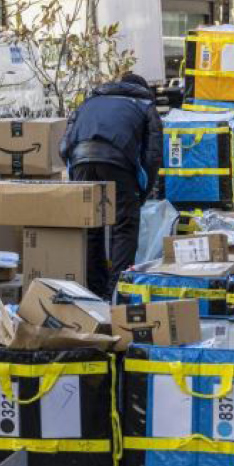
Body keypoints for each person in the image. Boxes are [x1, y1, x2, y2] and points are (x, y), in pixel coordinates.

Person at [60, 72, 163, 298]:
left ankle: (94, 293)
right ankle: (118, 293)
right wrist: (142, 192)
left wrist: (75, 170)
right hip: (118, 162)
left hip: (81, 161)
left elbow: (64, 144)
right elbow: (153, 155)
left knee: (90, 228)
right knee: (124, 227)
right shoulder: (146, 106)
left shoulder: (90, 102)